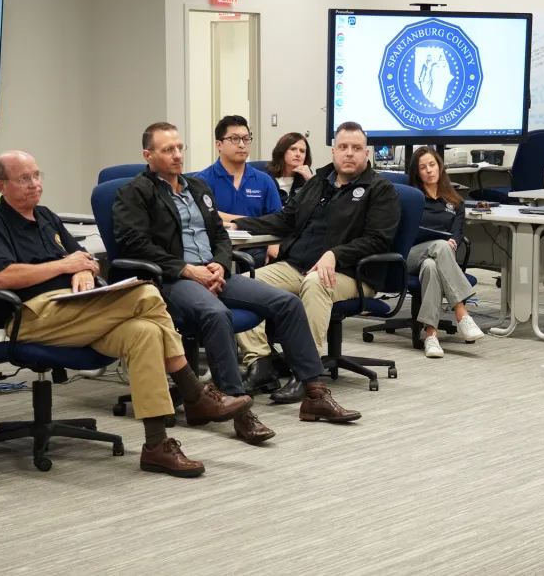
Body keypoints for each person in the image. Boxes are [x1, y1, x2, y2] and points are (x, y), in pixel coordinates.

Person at [0, 151, 249, 478]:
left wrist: (84, 272)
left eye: (36, 175)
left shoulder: (45, 216)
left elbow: (82, 256)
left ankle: (156, 446)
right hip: (34, 316)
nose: (34, 184)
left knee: (145, 333)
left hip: (77, 309)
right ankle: (193, 393)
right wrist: (65, 266)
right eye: (23, 179)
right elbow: (0, 277)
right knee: (146, 293)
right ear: (1, 186)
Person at [113, 122, 361, 436]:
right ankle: (239, 410)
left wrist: (218, 263)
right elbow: (134, 243)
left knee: (286, 302)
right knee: (217, 314)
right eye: (167, 150)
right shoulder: (135, 193)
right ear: (148, 155)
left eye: (179, 148)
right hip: (172, 280)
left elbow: (219, 235)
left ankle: (314, 394)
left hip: (213, 274)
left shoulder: (197, 189)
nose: (177, 155)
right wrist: (188, 269)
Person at [230, 121, 399, 400]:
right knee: (242, 284)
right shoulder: (319, 182)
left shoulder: (380, 190)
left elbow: (377, 239)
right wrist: (241, 224)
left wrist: (334, 254)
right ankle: (260, 363)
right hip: (296, 265)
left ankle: (304, 373)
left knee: (316, 282)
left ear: (366, 154)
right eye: (343, 147)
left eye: (356, 148)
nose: (349, 153)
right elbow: (286, 219)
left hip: (352, 273)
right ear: (333, 151)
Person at [405, 147, 484, 358]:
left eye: (432, 165)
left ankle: (430, 335)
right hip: (408, 255)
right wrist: (441, 243)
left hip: (434, 259)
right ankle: (462, 313)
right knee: (440, 246)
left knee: (432, 266)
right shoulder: (412, 198)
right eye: (423, 167)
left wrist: (451, 243)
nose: (429, 171)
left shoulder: (455, 202)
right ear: (417, 172)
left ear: (440, 167)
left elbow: (457, 235)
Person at [191, 115, 283, 266]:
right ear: (219, 144)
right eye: (234, 139)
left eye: (246, 139)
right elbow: (203, 214)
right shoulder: (201, 180)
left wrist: (275, 243)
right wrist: (248, 222)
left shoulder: (264, 180)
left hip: (257, 249)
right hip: (216, 251)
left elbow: (278, 219)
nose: (242, 145)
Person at [265, 132, 314, 205]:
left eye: (302, 151)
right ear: (282, 152)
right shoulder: (266, 176)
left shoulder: (305, 176)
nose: (298, 154)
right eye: (293, 149)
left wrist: (312, 180)